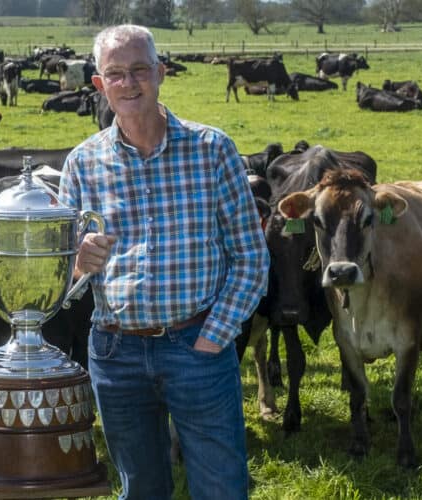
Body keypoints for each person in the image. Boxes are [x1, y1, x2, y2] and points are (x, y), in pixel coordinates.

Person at [59, 25, 270, 499]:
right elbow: (63, 280)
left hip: (197, 342)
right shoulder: (81, 163)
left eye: (139, 70)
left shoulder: (212, 149)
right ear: (98, 84)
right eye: (115, 74)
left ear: (160, 72)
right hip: (115, 352)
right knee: (141, 488)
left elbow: (251, 258)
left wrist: (214, 337)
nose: (128, 84)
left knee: (221, 485)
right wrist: (78, 264)